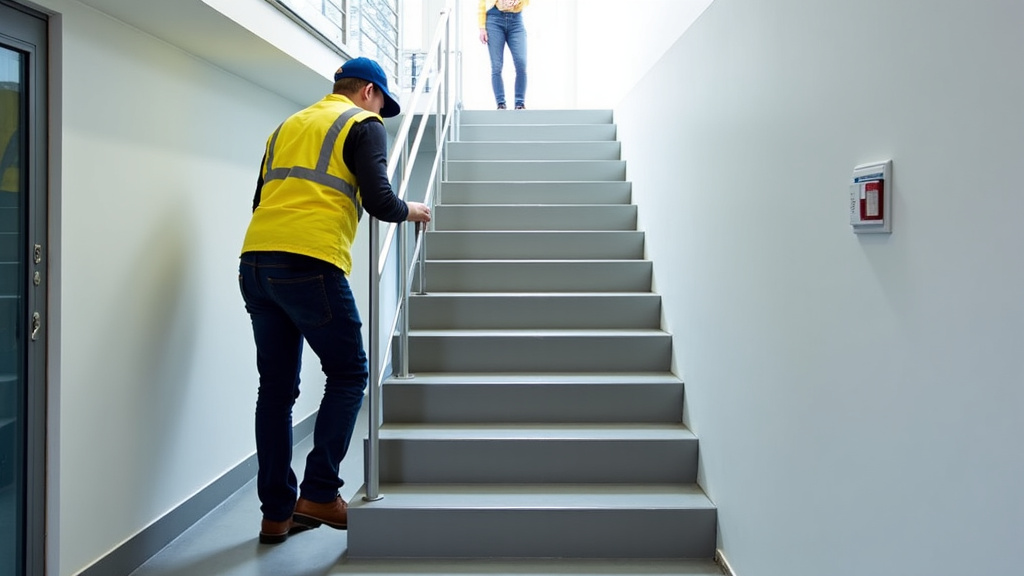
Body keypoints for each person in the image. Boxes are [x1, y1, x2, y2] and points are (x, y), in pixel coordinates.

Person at [238, 56, 431, 545]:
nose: (381, 112)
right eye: (382, 103)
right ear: (369, 92)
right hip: (310, 261)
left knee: (275, 391)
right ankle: (321, 492)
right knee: (349, 373)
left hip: (256, 261)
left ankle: (276, 513)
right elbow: (380, 201)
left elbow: (260, 199)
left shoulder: (287, 126)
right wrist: (413, 209)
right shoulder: (363, 124)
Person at [479, 0, 529, 110]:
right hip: (494, 19)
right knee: (496, 66)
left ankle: (519, 103)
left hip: (516, 19)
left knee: (521, 63)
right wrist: (482, 27)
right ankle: (500, 104)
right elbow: (482, 3)